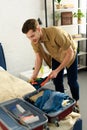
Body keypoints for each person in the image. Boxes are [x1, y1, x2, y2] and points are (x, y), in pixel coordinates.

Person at [22, 18, 80, 112]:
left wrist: (57, 70)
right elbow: (38, 58)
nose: (31, 39)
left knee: (72, 82)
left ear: (38, 29)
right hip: (56, 56)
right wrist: (34, 76)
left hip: (69, 55)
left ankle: (76, 102)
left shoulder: (56, 33)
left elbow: (70, 53)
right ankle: (61, 101)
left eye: (32, 36)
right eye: (28, 37)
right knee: (57, 81)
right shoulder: (34, 41)